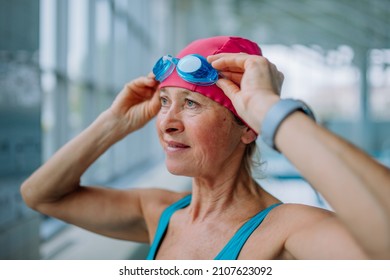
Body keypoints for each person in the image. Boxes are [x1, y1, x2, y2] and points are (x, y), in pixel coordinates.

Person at [20, 36, 390, 260]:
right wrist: (112, 124)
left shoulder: (287, 231)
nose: (167, 122)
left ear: (247, 128)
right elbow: (41, 196)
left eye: (192, 104)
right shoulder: (159, 213)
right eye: (165, 102)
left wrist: (268, 108)